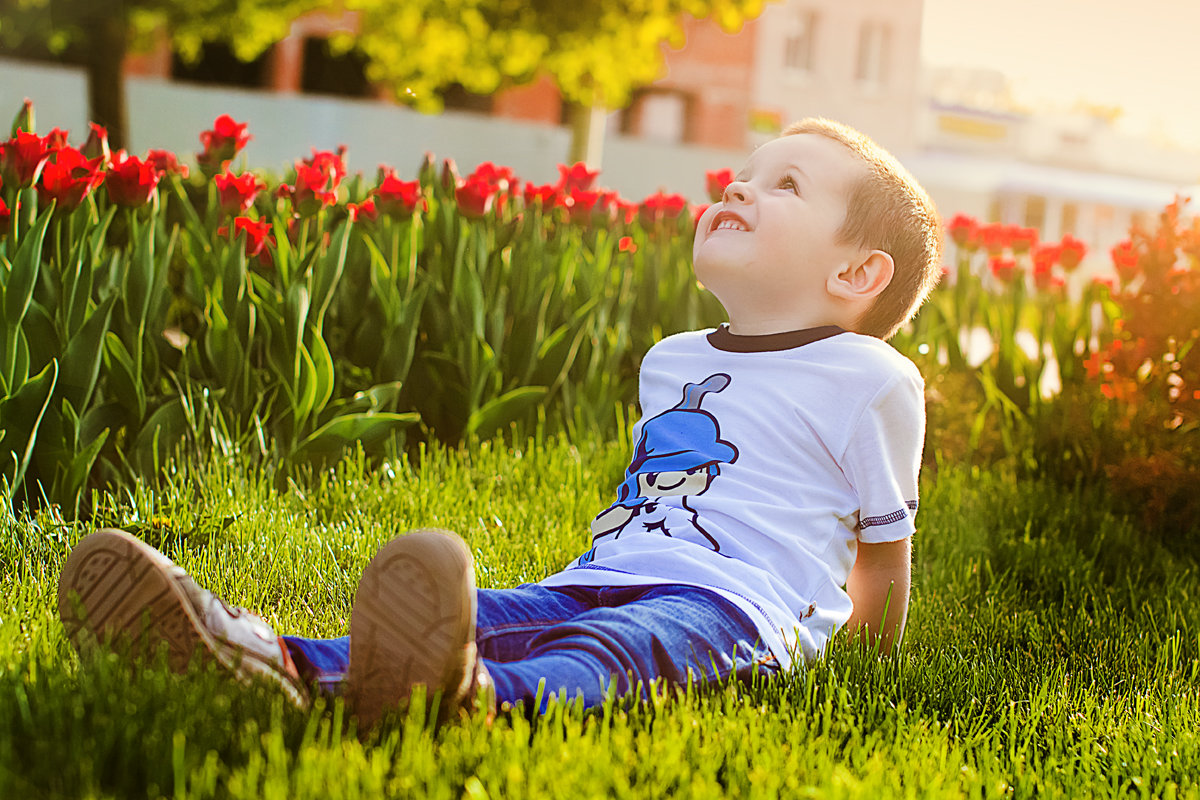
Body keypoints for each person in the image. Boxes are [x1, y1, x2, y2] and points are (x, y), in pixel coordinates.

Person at [57, 117, 942, 728]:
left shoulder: (870, 379)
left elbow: (883, 548)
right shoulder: (672, 358)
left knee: (617, 652)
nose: (739, 189)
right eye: (742, 174)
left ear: (859, 274)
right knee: (482, 612)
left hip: (736, 609)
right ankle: (264, 659)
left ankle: (479, 700)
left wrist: (858, 670)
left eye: (783, 185)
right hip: (604, 571)